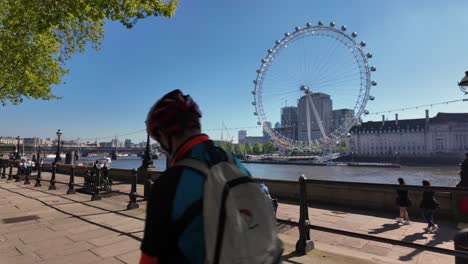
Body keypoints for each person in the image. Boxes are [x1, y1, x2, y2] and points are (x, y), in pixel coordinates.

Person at [140, 89, 280, 264]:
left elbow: (149, 259)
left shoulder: (169, 184)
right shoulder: (235, 164)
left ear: (164, 136)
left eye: (158, 141)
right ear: (197, 125)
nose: (161, 148)